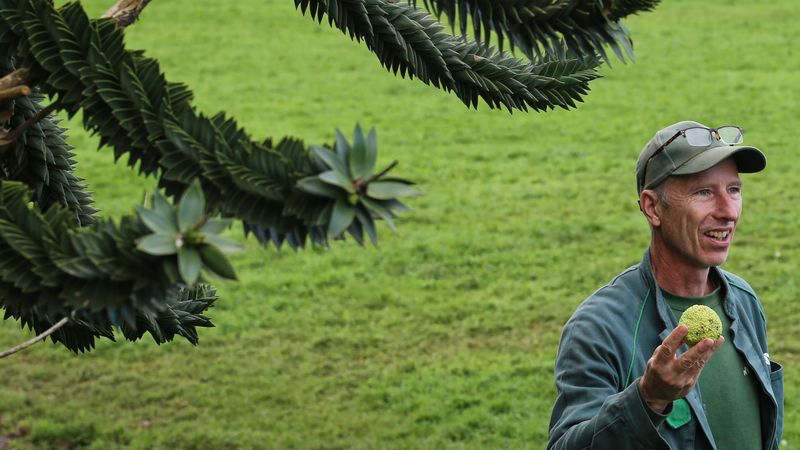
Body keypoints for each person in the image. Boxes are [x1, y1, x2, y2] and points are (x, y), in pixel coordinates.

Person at [547, 121, 784, 449]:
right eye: (703, 192)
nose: (728, 211)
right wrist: (648, 400)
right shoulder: (598, 327)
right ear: (653, 207)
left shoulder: (744, 300)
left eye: (734, 189)